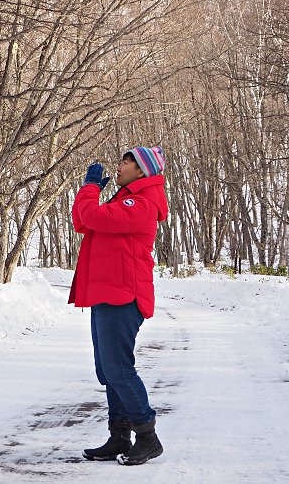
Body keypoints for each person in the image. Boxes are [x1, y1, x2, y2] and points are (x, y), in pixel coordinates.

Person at [68, 145, 168, 466]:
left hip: (124, 294)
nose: (122, 165)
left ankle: (148, 437)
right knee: (106, 369)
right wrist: (93, 191)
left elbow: (91, 215)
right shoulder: (122, 199)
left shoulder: (141, 203)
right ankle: (120, 436)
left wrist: (90, 189)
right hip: (106, 292)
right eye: (124, 160)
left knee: (118, 368)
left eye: (129, 162)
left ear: (142, 172)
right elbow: (81, 221)